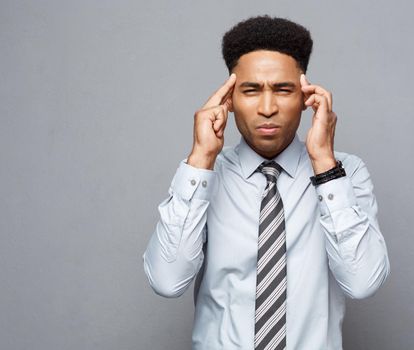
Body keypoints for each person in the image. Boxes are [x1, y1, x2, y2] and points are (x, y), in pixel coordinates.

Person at [143, 15, 390, 350]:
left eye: (283, 90)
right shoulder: (204, 176)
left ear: (306, 98)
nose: (268, 107)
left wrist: (324, 165)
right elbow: (167, 280)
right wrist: (200, 159)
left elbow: (362, 282)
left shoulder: (346, 173)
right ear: (229, 99)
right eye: (251, 90)